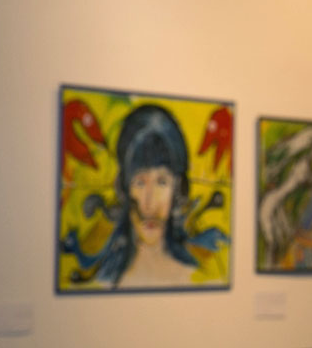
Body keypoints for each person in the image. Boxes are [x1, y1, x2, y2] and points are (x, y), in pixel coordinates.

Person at [61, 103, 228, 288]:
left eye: (162, 182)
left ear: (178, 188)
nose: (150, 205)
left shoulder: (201, 277)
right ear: (123, 187)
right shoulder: (102, 281)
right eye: (140, 182)